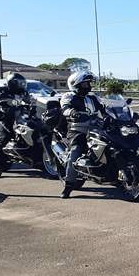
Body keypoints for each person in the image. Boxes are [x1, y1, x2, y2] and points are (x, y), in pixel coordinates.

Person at [60, 70, 106, 198]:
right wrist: (73, 112)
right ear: (76, 85)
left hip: (95, 126)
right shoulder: (69, 96)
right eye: (86, 84)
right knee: (76, 150)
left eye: (89, 84)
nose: (89, 87)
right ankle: (68, 185)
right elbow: (65, 108)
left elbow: (104, 108)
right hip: (77, 129)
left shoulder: (92, 97)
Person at [0, 73, 31, 178]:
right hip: (4, 119)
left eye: (23, 83)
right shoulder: (1, 90)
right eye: (20, 83)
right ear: (12, 83)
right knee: (4, 137)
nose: (22, 85)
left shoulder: (24, 92)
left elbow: (30, 100)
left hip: (21, 117)